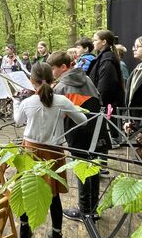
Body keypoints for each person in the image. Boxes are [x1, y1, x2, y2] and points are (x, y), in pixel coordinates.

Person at [13, 62, 87, 238]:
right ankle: (57, 237)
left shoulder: (28, 102)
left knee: (25, 190)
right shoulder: (62, 100)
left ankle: (24, 231)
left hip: (29, 150)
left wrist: (16, 101)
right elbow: (83, 121)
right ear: (54, 80)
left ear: (31, 81)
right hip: (54, 151)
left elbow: (18, 121)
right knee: (53, 195)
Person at [47, 51, 110, 221]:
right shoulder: (86, 78)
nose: (52, 72)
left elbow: (57, 114)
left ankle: (83, 211)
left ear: (63, 67)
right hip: (97, 129)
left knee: (82, 171)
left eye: (53, 68)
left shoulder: (62, 86)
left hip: (78, 132)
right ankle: (93, 209)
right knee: (93, 168)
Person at [87, 30, 125, 148]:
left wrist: (99, 101)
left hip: (106, 102)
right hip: (103, 101)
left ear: (104, 42)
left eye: (95, 40)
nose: (93, 42)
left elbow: (105, 85)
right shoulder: (103, 57)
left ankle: (113, 140)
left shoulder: (107, 59)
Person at [124, 36, 142, 139]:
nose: (133, 49)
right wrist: (128, 120)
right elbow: (129, 99)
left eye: (137, 46)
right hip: (135, 123)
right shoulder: (137, 69)